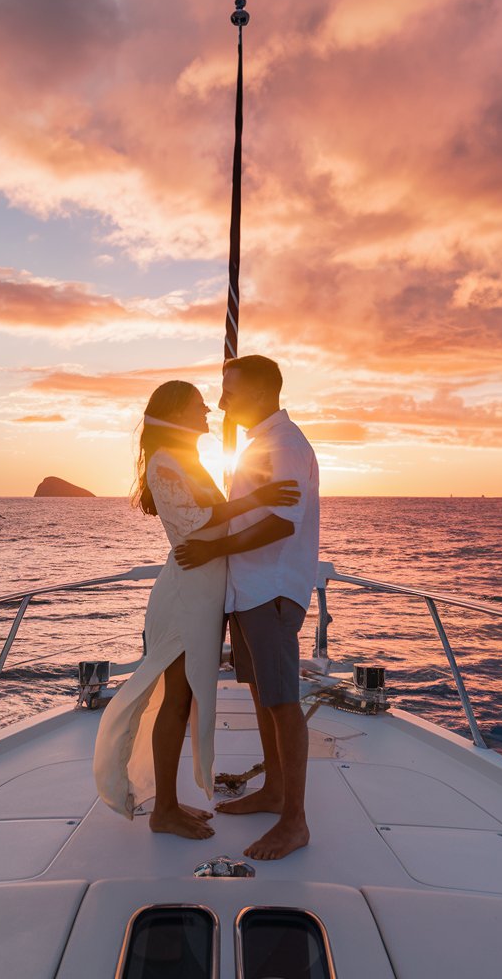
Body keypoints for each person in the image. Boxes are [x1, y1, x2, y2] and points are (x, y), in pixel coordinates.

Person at [93, 379, 299, 839]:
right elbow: (196, 523)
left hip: (205, 593)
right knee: (176, 699)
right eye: (197, 405)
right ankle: (163, 809)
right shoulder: (166, 462)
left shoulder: (186, 460)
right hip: (186, 594)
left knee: (183, 699)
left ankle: (168, 803)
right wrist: (260, 498)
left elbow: (209, 519)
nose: (207, 410)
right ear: (175, 414)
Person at [175, 355, 320, 860]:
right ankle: (275, 790)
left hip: (271, 591)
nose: (221, 403)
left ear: (259, 392)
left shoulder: (282, 445)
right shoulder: (264, 444)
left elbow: (283, 522)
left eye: (229, 393)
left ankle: (295, 821)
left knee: (282, 702)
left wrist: (213, 549)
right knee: (262, 695)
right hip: (250, 591)